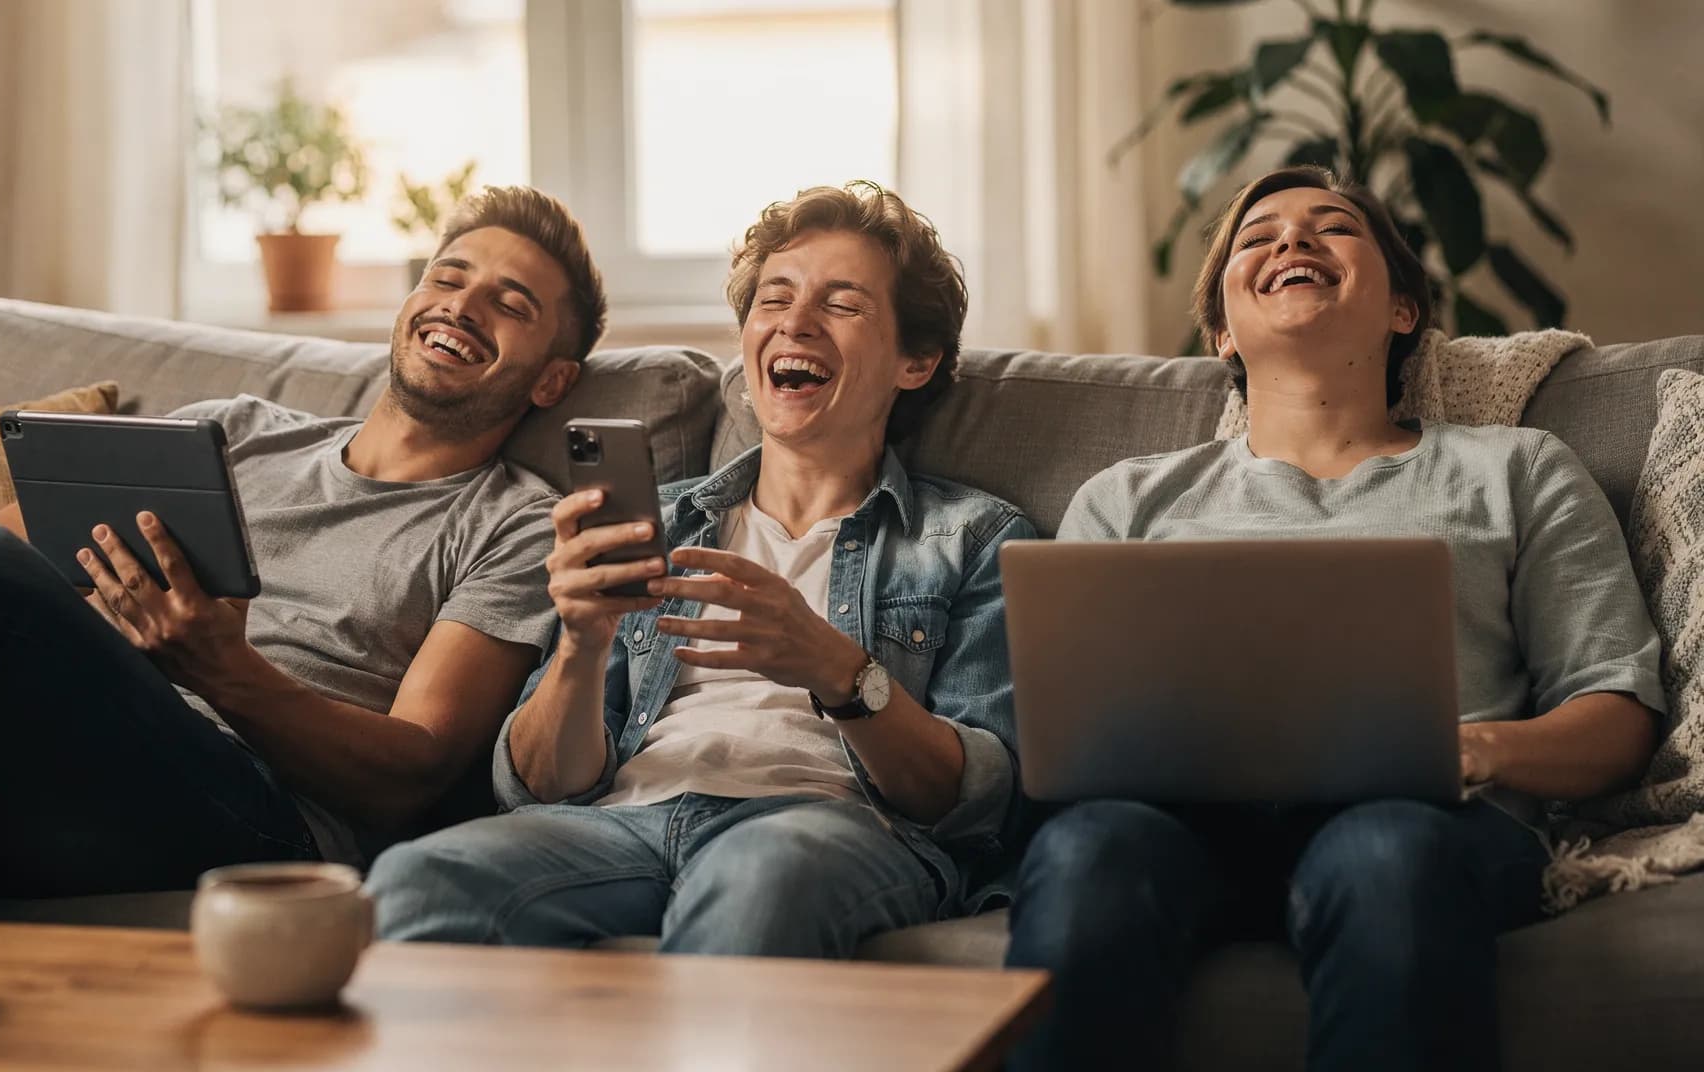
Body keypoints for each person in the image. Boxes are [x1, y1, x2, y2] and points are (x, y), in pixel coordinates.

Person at [1004, 166, 1665, 1072]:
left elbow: (1618, 711)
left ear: (1402, 311)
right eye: (1257, 236)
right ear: (1221, 334)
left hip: (1426, 821)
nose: (1291, 242)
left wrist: (1478, 750)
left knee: (1383, 856)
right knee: (1087, 854)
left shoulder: (1518, 468)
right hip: (1171, 828)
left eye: (1333, 227)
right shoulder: (1125, 500)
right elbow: (1061, 739)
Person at [0, 186, 607, 912]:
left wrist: (224, 670)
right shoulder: (235, 432)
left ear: (550, 382)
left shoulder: (518, 524)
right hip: (35, 768)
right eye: (448, 276)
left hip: (252, 815)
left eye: (511, 304)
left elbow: (410, 777)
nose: (461, 308)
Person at [368, 181, 1034, 958]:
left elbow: (975, 801)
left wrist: (838, 669)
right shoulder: (662, 519)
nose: (795, 321)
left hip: (822, 827)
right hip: (620, 825)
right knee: (417, 879)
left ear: (915, 361)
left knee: (762, 874)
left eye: (842, 305)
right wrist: (583, 645)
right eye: (774, 299)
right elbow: (539, 786)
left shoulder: (974, 536)